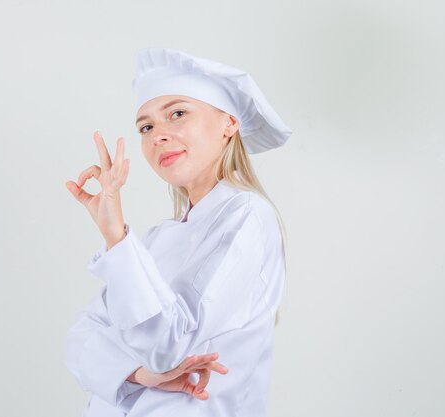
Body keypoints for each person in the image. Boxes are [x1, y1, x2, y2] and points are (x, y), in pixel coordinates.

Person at [64, 47, 292, 417]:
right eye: (147, 127)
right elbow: (80, 340)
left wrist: (117, 238)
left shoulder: (248, 216)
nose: (159, 136)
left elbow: (172, 345)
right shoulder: (153, 240)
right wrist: (141, 374)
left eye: (178, 114)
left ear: (229, 124)